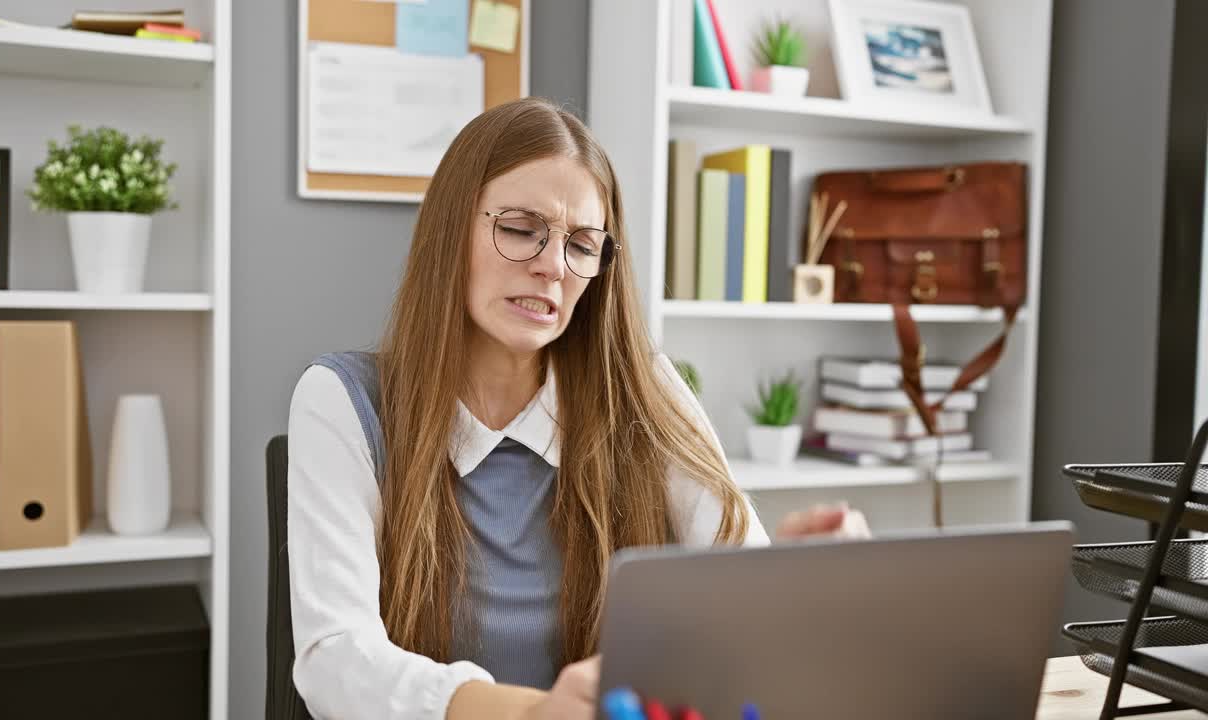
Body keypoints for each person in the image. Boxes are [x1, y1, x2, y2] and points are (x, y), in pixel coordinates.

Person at [287, 97, 868, 720]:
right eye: (518, 229)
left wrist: (801, 578)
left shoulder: (644, 388)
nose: (552, 268)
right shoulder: (342, 399)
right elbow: (335, 658)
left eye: (582, 245)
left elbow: (737, 580)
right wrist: (531, 713)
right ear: (452, 227)